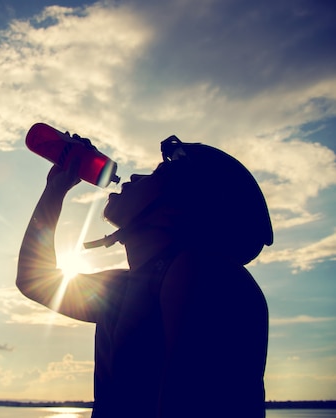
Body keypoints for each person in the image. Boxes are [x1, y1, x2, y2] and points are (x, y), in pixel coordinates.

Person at [16, 134, 273, 418]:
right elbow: (33, 279)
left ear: (176, 209)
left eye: (157, 175)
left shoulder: (205, 274)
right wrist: (56, 188)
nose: (136, 175)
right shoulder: (129, 285)